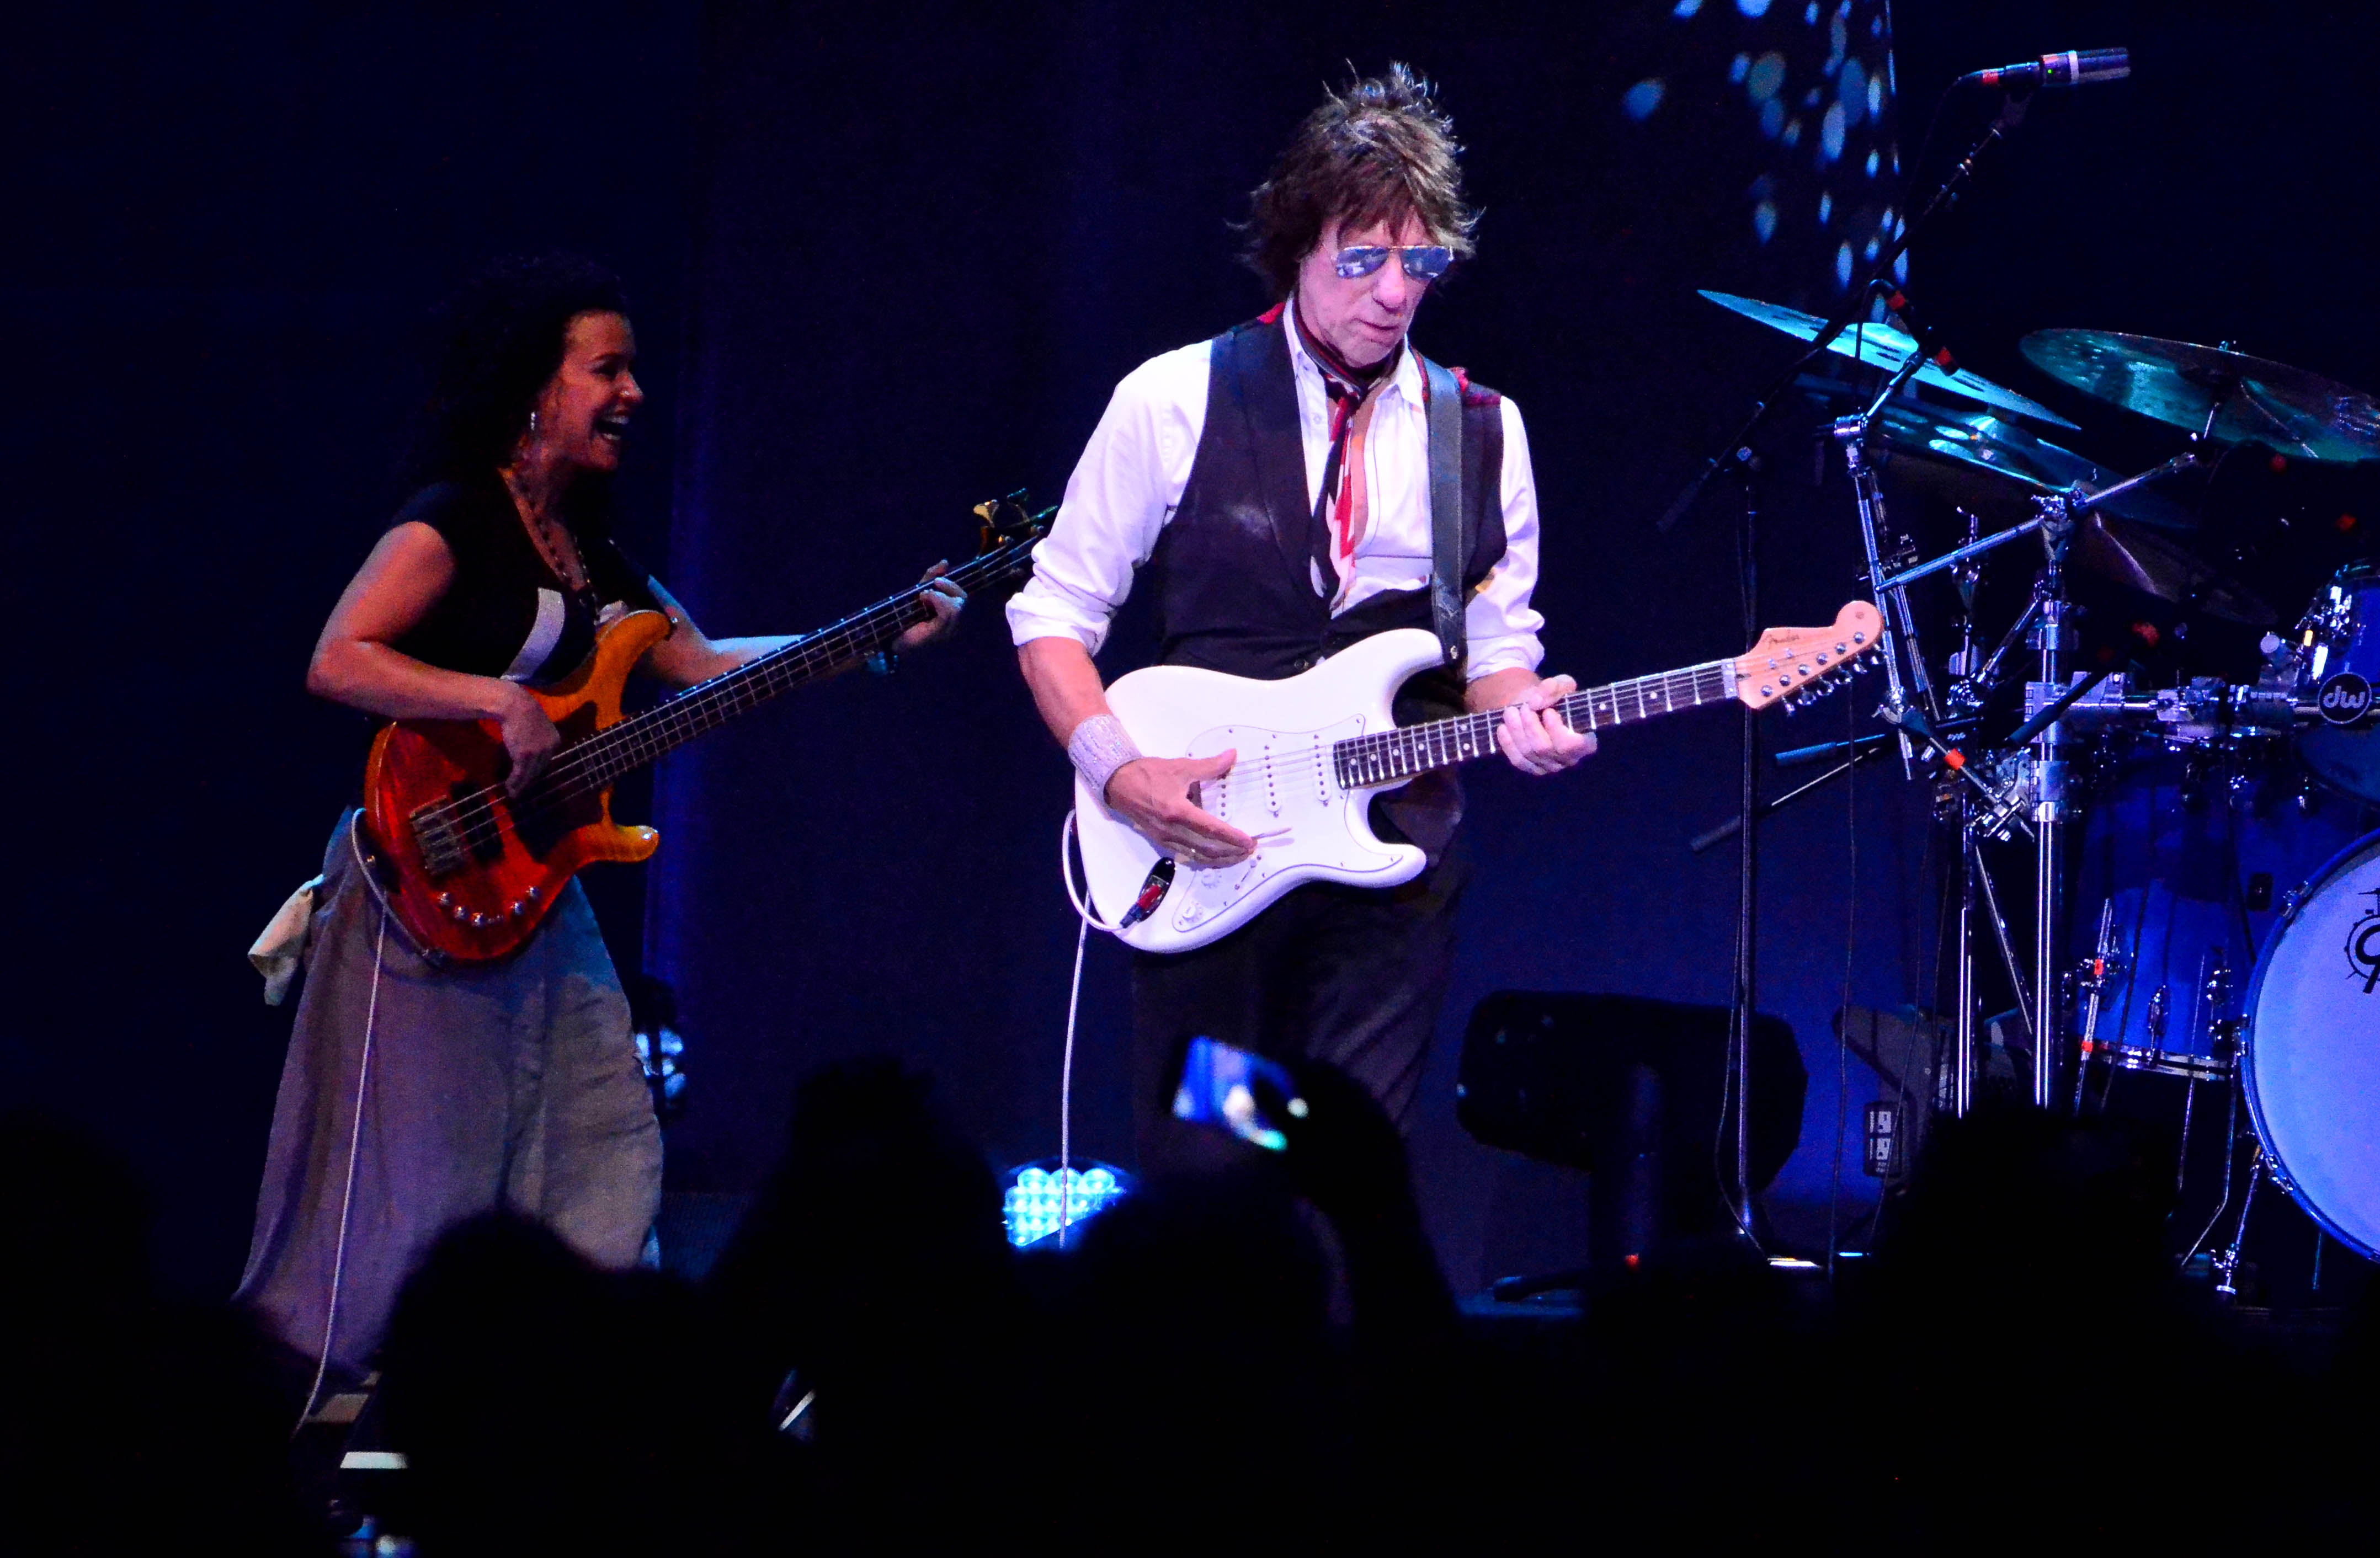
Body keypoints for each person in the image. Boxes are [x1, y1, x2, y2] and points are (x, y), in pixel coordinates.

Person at [237, 253, 962, 1385]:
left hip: (535, 887)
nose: (633, 393)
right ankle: (343, 1397)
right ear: (537, 388)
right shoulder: (453, 522)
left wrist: (877, 632)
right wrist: (494, 699)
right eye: (606, 370)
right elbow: (338, 658)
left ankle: (577, 1377)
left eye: (633, 370)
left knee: (603, 1129)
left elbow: (712, 665)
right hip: (414, 877)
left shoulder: (600, 560)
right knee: (412, 1166)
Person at [1008, 66, 1590, 1164]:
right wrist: (1121, 773)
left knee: (1343, 1172)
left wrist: (1526, 710)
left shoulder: (1483, 429)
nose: (1392, 293)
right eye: (1361, 260)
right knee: (1212, 1164)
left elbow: (1498, 645)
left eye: (1418, 263)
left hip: (1392, 855)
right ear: (1296, 247)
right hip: (1211, 844)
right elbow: (1053, 616)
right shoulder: (1170, 398)